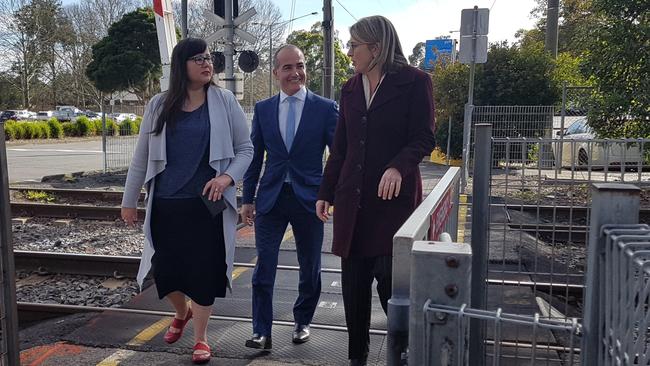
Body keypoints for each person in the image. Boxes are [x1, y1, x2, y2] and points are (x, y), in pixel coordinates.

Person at [121, 37, 253, 364]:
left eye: (208, 58)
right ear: (182, 65)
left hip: (206, 206)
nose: (207, 63)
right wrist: (129, 200)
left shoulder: (224, 101)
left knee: (204, 273)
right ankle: (182, 312)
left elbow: (245, 149)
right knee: (164, 273)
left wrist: (226, 178)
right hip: (166, 204)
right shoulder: (159, 104)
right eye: (198, 59)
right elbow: (141, 157)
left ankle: (201, 338)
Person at [315, 16, 436, 366]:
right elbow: (341, 148)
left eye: (354, 45)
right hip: (353, 204)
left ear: (376, 48)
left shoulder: (415, 83)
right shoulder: (350, 88)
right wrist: (326, 191)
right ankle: (357, 359)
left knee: (390, 285)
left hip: (392, 206)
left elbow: (424, 137)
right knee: (353, 291)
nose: (349, 51)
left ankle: (407, 354)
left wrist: (399, 165)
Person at [241, 44, 338, 350]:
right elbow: (255, 156)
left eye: (300, 65)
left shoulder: (325, 108)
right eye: (287, 67)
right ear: (275, 73)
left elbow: (338, 158)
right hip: (271, 198)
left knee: (310, 267)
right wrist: (247, 198)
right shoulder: (264, 109)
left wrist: (331, 194)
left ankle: (302, 321)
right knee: (263, 267)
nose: (295, 73)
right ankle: (261, 331)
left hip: (310, 199)